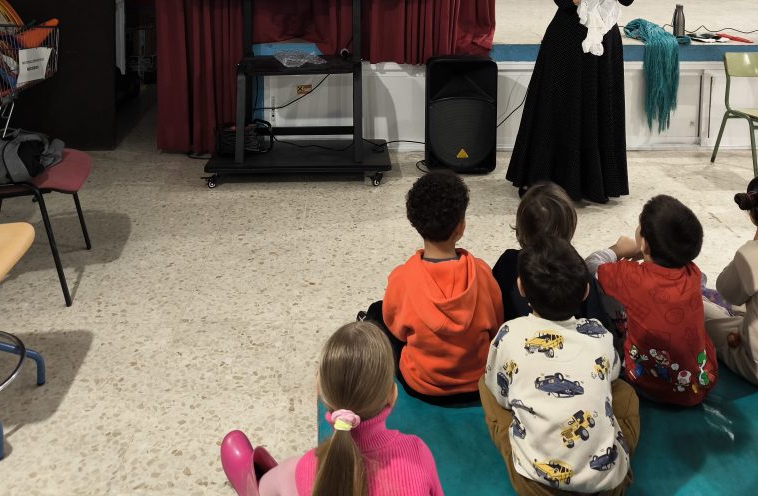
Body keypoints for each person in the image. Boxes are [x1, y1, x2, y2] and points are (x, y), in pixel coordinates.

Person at [480, 238, 638, 495]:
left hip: (535, 486)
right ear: (586, 292)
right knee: (625, 392)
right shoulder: (598, 333)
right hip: (607, 486)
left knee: (486, 383)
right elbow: (611, 375)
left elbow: (501, 395)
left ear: (521, 287)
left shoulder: (509, 333)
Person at [506, 0, 636, 204]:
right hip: (567, 40)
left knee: (599, 108)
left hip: (605, 41)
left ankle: (595, 183)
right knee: (560, 109)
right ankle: (550, 179)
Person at [228, 321, 444, 496]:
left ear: (319, 389)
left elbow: (263, 490)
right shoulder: (417, 453)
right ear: (392, 394)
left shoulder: (299, 469)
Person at [376, 169, 503, 402]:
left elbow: (398, 331)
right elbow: (496, 326)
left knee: (377, 311)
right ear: (460, 227)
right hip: (477, 383)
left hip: (421, 385)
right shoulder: (482, 273)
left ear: (414, 223)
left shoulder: (402, 277)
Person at [586, 194, 718, 406]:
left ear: (645, 244)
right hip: (699, 384)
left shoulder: (630, 277)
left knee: (601, 291)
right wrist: (646, 254)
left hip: (647, 386)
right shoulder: (693, 273)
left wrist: (618, 249)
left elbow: (591, 265)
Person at [492, 182, 620, 348]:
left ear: (521, 229)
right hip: (573, 351)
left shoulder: (507, 262)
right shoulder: (578, 270)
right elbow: (603, 329)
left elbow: (491, 306)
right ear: (570, 229)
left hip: (514, 346)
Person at [703, 177, 758, 384]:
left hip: (753, 363)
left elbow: (726, 291)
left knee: (694, 308)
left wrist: (753, 244)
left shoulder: (751, 255)